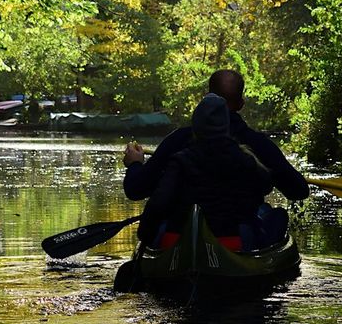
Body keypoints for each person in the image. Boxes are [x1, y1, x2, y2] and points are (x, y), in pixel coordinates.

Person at [123, 69, 308, 244]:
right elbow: (297, 191)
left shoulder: (178, 144)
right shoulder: (254, 150)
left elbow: (137, 190)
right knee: (274, 215)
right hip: (235, 236)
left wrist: (135, 164)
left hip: (180, 232)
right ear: (241, 104)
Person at [136, 94, 272, 251]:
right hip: (233, 242)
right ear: (226, 126)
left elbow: (158, 203)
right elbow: (265, 187)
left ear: (196, 126)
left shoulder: (180, 161)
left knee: (163, 224)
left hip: (178, 239)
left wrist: (145, 236)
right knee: (273, 215)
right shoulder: (246, 160)